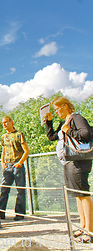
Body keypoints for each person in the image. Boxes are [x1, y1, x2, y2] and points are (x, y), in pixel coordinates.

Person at [44, 97, 93, 243]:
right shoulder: (64, 122)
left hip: (79, 161)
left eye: (58, 109)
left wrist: (69, 130)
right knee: (77, 195)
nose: (57, 112)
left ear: (65, 106)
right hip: (69, 162)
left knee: (83, 194)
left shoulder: (76, 118)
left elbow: (86, 134)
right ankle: (83, 226)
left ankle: (90, 231)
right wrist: (49, 122)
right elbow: (52, 137)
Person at [0, 116, 29, 221]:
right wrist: (3, 162)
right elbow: (4, 151)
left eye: (6, 122)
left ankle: (19, 213)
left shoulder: (19, 135)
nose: (4, 124)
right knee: (4, 189)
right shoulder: (4, 137)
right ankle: (0, 212)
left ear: (11, 122)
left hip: (17, 164)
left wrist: (20, 163)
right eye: (3, 123)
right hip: (7, 165)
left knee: (20, 189)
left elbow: (26, 151)